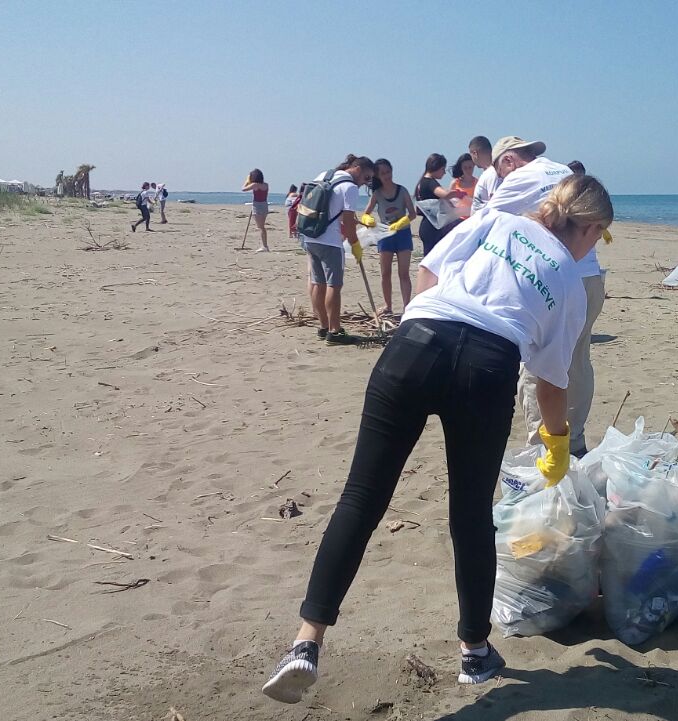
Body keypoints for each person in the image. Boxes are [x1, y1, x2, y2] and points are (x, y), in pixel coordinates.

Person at [261, 175, 614, 704]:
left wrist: (421, 334)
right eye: (600, 235)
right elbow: (551, 381)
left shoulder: (493, 220)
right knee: (470, 515)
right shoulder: (567, 276)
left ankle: (306, 642)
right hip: (487, 368)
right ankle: (474, 651)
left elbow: (429, 270)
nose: (595, 245)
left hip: (416, 343)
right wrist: (557, 442)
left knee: (361, 498)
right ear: (587, 227)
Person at [485, 137, 601, 457]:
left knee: (537, 366)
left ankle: (544, 445)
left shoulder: (519, 178)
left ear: (509, 161)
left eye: (499, 173)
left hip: (551, 279)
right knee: (577, 361)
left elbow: (486, 224)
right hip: (590, 277)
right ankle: (574, 440)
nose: (501, 179)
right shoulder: (565, 173)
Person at [302, 155, 375, 345]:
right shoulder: (350, 187)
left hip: (310, 236)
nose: (365, 183)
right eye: (366, 178)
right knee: (334, 285)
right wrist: (355, 244)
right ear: (357, 169)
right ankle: (334, 331)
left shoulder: (325, 175)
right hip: (330, 242)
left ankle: (323, 327)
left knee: (318, 283)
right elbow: (348, 222)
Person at [361, 159, 416, 315]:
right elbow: (365, 214)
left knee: (403, 273)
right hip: (385, 234)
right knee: (385, 273)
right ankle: (388, 306)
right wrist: (368, 220)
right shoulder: (377, 194)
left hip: (402, 234)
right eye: (383, 173)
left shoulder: (402, 190)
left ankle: (407, 307)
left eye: (388, 172)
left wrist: (401, 222)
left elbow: (412, 214)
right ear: (377, 176)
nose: (386, 176)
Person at [413, 153, 464, 255]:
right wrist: (459, 194)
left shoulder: (421, 182)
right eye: (443, 169)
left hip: (427, 224)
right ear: (436, 167)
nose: (444, 173)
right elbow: (445, 194)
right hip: (433, 226)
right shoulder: (430, 182)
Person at [468, 136, 500, 213]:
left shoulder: (492, 174)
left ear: (475, 153)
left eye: (471, 155)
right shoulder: (490, 173)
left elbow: (495, 204)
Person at [243, 169, 271, 252]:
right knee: (262, 226)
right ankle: (265, 245)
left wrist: (247, 180)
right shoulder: (266, 185)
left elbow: (243, 189)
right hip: (264, 205)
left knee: (261, 227)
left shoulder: (255, 185)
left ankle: (264, 246)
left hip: (257, 205)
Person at [449, 154, 476, 219]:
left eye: (470, 167)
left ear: (474, 166)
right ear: (461, 168)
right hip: (458, 219)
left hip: (473, 218)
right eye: (465, 168)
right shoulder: (455, 183)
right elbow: (448, 201)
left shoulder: (478, 183)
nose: (468, 170)